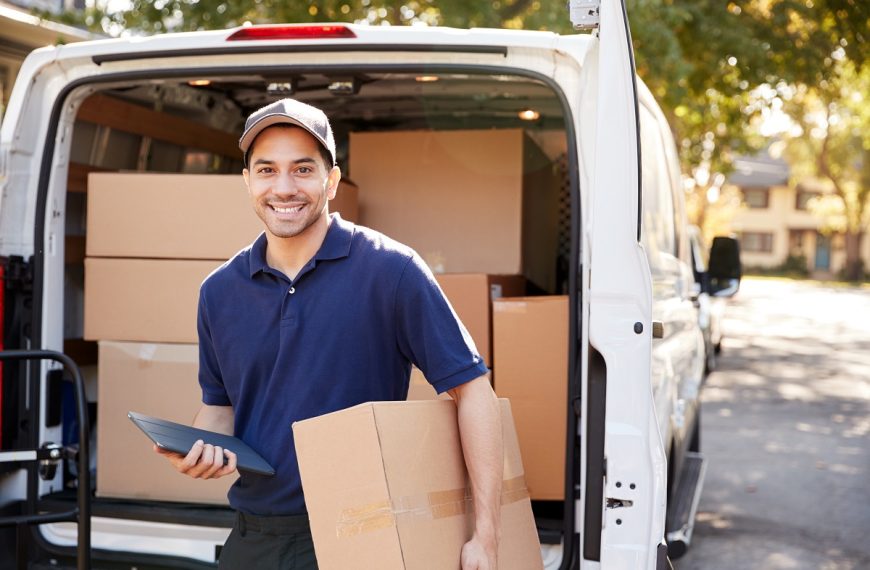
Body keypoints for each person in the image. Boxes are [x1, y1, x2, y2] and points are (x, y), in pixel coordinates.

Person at [154, 98, 504, 569]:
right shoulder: (219, 292)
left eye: (302, 169)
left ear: (332, 181)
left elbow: (473, 391)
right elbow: (220, 410)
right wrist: (196, 452)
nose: (283, 187)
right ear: (248, 182)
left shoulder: (391, 271)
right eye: (266, 170)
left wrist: (486, 536)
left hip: (363, 532)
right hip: (257, 535)